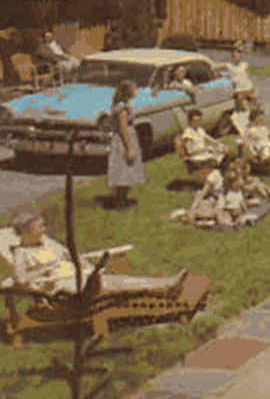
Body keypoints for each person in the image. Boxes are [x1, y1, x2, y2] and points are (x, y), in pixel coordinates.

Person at [10, 213, 187, 296]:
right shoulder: (21, 253)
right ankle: (164, 287)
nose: (44, 229)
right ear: (25, 231)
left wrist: (87, 267)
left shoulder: (46, 241)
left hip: (77, 276)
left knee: (113, 280)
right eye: (39, 227)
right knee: (114, 283)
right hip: (62, 288)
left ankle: (164, 286)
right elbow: (20, 279)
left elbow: (71, 254)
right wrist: (46, 269)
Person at [106, 80, 145, 208]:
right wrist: (130, 148)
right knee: (123, 168)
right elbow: (124, 128)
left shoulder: (122, 105)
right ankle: (121, 200)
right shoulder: (123, 108)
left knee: (125, 169)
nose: (136, 91)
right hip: (123, 140)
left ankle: (123, 197)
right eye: (134, 89)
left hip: (124, 138)